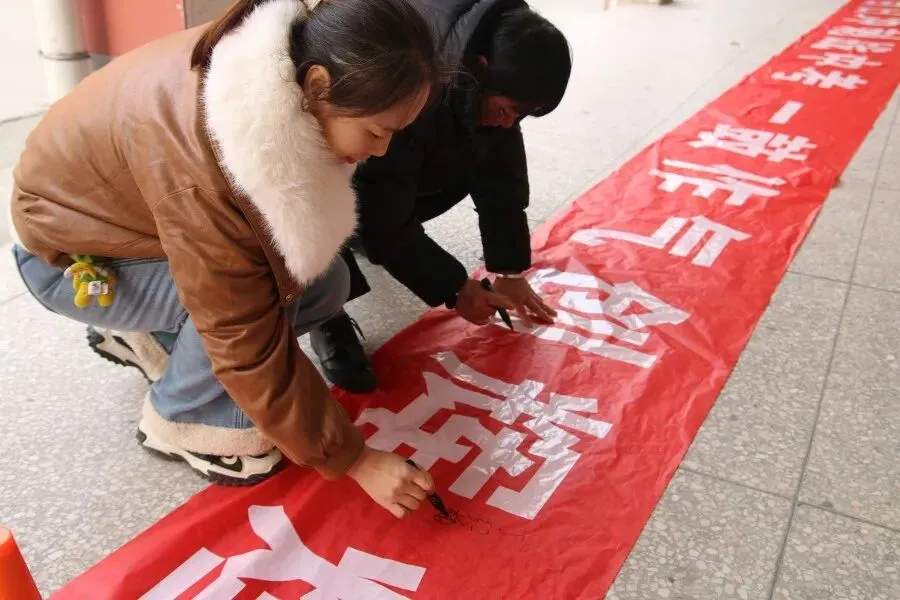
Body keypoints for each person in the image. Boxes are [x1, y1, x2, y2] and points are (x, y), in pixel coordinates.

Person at [10, 0, 444, 519]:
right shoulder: (216, 162)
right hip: (73, 263)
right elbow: (241, 330)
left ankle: (146, 334)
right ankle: (177, 415)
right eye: (377, 132)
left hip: (128, 234)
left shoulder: (272, 75)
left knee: (324, 283)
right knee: (252, 405)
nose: (380, 152)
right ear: (319, 86)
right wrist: (355, 459)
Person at [307, 0, 572, 393]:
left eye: (520, 114)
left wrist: (510, 269)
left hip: (394, 141)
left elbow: (502, 178)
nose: (509, 122)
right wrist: (455, 288)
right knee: (329, 204)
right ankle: (326, 317)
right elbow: (381, 206)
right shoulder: (416, 83)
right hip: (327, 149)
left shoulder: (498, 65)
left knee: (478, 150)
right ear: (481, 67)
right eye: (506, 110)